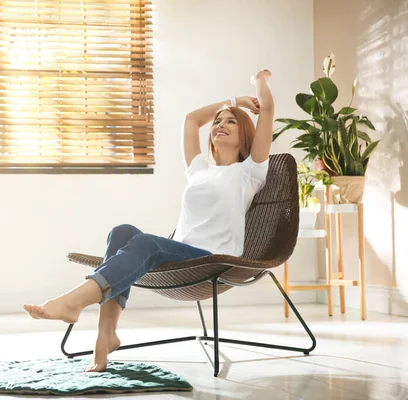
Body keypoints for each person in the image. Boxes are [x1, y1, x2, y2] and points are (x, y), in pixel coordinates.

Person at [24, 69, 275, 372]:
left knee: (145, 244)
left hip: (213, 259)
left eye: (230, 121)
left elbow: (269, 108)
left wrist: (258, 81)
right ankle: (106, 335)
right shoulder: (198, 170)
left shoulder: (250, 172)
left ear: (245, 133)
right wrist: (231, 101)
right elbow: (191, 120)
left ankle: (73, 301)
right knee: (122, 232)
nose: (219, 125)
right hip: (180, 253)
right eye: (218, 121)